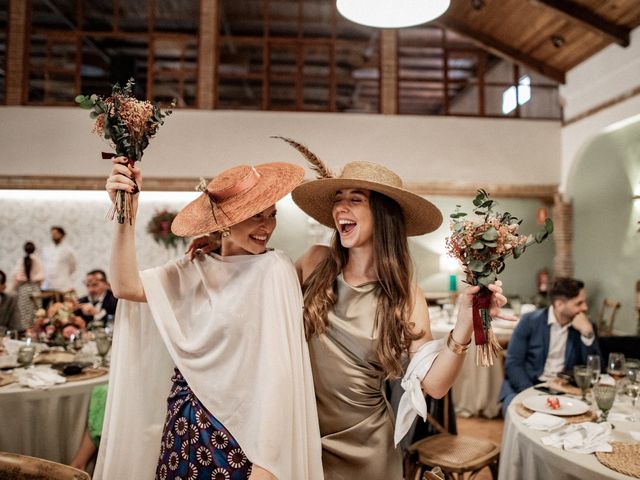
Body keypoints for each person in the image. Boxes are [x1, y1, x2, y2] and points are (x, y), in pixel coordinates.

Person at [189, 142, 509, 479]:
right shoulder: (314, 262)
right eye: (338, 199)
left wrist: (463, 327)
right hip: (301, 434)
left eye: (355, 199)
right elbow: (255, 289)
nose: (341, 206)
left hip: (368, 445)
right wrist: (222, 247)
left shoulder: (406, 296)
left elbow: (434, 386)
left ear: (382, 215)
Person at [94, 158, 323, 480]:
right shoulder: (192, 267)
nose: (267, 227)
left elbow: (279, 374)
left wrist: (269, 459)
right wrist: (125, 213)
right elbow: (125, 286)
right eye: (256, 216)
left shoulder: (275, 270)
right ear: (227, 222)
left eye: (272, 215)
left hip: (243, 436)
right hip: (186, 422)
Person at [499, 277, 600, 415]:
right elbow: (513, 364)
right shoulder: (529, 321)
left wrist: (587, 334)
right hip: (527, 385)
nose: (585, 308)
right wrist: (531, 394)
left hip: (564, 390)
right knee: (517, 415)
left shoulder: (585, 325)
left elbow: (593, 368)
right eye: (579, 303)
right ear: (559, 304)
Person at [10, 241, 45, 331]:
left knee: (23, 313)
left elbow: (16, 277)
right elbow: (42, 277)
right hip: (35, 289)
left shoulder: (21, 260)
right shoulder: (37, 260)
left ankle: (24, 332)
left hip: (23, 289)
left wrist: (13, 289)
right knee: (35, 313)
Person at [42, 226, 77, 293]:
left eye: (55, 234)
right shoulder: (47, 249)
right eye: (52, 234)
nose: (53, 236)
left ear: (62, 235)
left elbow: (72, 267)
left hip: (62, 285)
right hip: (48, 284)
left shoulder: (69, 250)